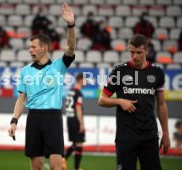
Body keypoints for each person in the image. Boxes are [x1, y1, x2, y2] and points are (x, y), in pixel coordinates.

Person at [8, 3, 76, 170]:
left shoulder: (58, 66)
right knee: (36, 167)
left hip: (53, 118)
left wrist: (71, 25)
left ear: (44, 48)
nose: (29, 50)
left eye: (33, 47)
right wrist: (14, 120)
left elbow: (71, 47)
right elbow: (21, 99)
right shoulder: (25, 71)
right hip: (34, 118)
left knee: (56, 167)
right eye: (29, 47)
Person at [98, 34, 170, 170]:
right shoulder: (119, 72)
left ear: (147, 51)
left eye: (139, 52)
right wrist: (120, 101)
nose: (135, 56)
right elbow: (102, 100)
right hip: (125, 138)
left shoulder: (157, 73)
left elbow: (161, 104)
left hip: (149, 137)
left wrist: (165, 133)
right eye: (132, 52)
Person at [63, 73, 85, 170]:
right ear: (80, 80)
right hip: (75, 120)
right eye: (85, 80)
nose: (86, 82)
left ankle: (63, 159)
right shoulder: (78, 93)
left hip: (69, 119)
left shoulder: (70, 91)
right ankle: (76, 168)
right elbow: (78, 109)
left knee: (75, 143)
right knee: (79, 144)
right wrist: (81, 124)